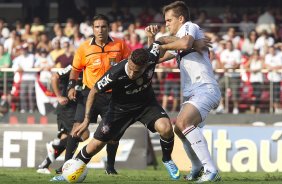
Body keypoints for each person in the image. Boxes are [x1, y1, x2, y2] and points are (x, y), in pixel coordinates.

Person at [72, 46, 180, 180]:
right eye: (131, 68)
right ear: (128, 59)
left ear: (146, 65)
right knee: (96, 145)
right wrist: (86, 120)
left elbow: (162, 42)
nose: (133, 74)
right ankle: (71, 170)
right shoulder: (115, 73)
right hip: (120, 110)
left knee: (166, 128)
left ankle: (167, 159)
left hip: (146, 105)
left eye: (137, 71)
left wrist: (186, 45)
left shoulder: (151, 58)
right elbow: (94, 91)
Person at [146, 1, 221, 182]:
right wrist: (151, 38)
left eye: (169, 20)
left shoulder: (189, 26)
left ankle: (211, 170)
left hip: (205, 87)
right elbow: (155, 58)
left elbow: (186, 43)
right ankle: (196, 167)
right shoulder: (180, 42)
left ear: (180, 19)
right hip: (193, 92)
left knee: (183, 121)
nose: (167, 24)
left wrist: (162, 40)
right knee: (180, 129)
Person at [50, 14, 131, 181]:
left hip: (112, 95)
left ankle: (110, 167)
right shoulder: (84, 47)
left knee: (113, 134)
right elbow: (75, 69)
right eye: (97, 27)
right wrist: (72, 87)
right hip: (89, 94)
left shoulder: (120, 45)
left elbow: (131, 63)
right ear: (92, 29)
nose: (100, 30)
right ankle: (67, 166)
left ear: (109, 28)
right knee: (77, 128)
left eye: (103, 26)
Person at [36, 65, 80, 174]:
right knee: (82, 134)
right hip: (67, 109)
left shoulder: (91, 68)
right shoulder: (73, 67)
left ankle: (44, 166)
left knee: (66, 141)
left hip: (76, 109)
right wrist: (59, 96)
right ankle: (54, 146)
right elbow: (54, 77)